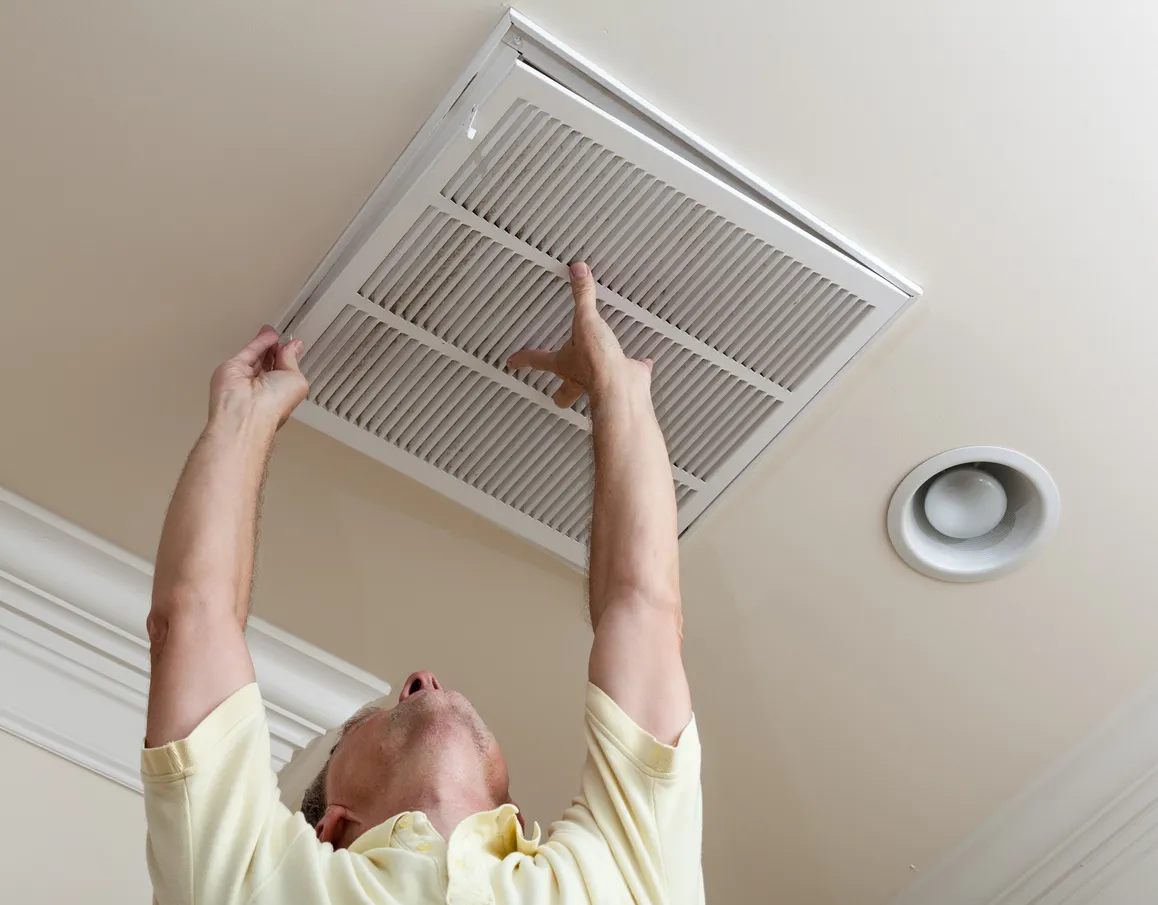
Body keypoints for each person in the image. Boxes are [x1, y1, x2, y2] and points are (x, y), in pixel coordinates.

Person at [142, 262, 702, 905]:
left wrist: (239, 420)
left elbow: (189, 624)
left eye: (366, 716)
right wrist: (616, 395)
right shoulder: (618, 880)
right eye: (364, 723)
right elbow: (646, 614)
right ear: (334, 826)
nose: (422, 681)